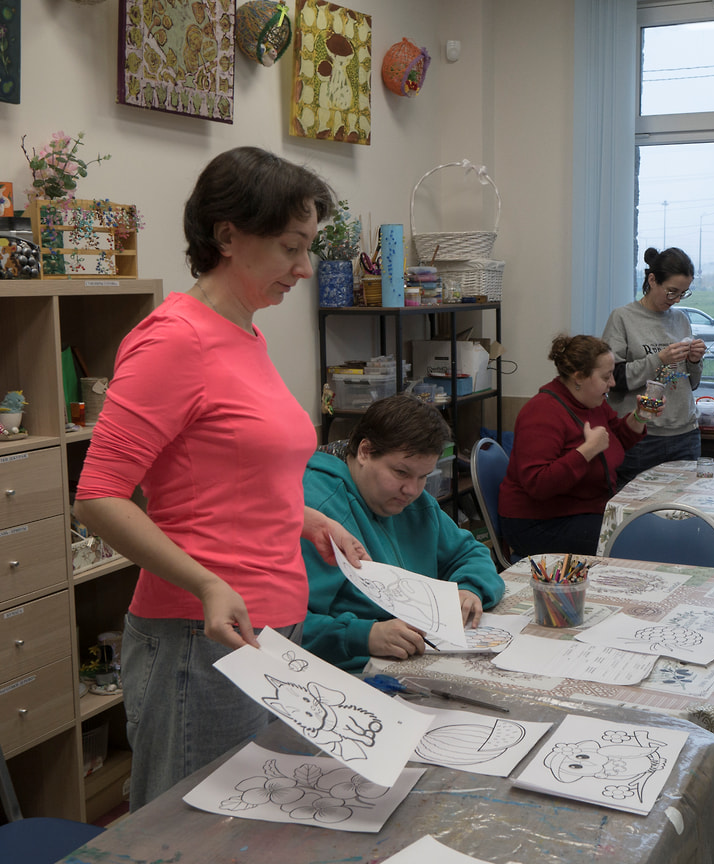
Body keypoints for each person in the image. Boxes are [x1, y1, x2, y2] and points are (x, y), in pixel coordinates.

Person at [73, 147, 368, 810]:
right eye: (291, 246)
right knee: (190, 834)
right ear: (227, 235)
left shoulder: (246, 335)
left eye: (309, 247)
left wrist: (306, 517)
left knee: (253, 825)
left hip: (271, 625)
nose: (303, 268)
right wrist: (206, 582)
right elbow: (97, 495)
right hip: (199, 637)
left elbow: (229, 473)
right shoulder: (174, 339)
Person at [301, 394, 505, 671]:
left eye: (423, 476)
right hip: (346, 671)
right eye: (401, 472)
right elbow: (283, 626)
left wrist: (469, 589)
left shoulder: (414, 502)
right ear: (364, 452)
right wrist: (365, 636)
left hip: (416, 657)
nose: (412, 490)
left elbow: (471, 553)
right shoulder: (318, 509)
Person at [499, 334, 656, 556]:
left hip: (585, 511)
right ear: (579, 377)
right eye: (606, 376)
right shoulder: (542, 412)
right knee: (635, 541)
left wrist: (639, 417)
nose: (612, 383)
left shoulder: (593, 403)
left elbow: (617, 439)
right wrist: (586, 451)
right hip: (538, 523)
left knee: (654, 525)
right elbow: (538, 484)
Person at [602, 246, 706, 485]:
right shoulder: (623, 318)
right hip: (642, 436)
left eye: (683, 293)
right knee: (635, 512)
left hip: (685, 433)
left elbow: (691, 383)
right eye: (671, 292)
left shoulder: (680, 319)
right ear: (652, 280)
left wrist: (694, 361)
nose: (676, 299)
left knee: (684, 509)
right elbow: (613, 379)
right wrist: (659, 359)